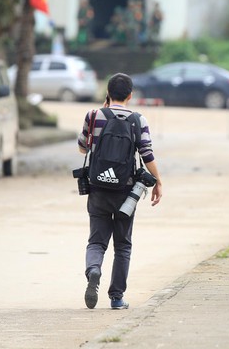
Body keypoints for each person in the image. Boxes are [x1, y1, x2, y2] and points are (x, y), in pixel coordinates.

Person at [77, 73, 163, 309]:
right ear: (130, 95)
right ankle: (116, 297)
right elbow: (147, 154)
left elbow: (82, 148)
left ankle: (93, 269)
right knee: (123, 245)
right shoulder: (138, 120)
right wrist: (159, 182)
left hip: (97, 189)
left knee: (96, 241)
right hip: (126, 192)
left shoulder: (94, 116)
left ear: (107, 93)